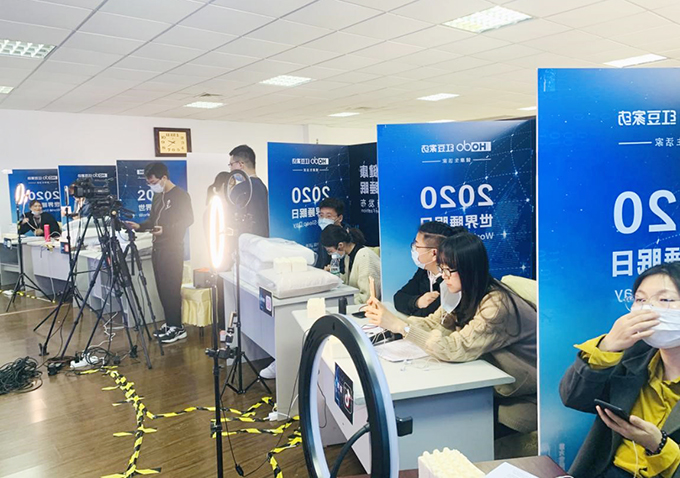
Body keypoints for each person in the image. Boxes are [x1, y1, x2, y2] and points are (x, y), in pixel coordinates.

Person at [365, 232, 537, 433]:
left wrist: (400, 327)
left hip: (521, 393)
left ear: (470, 269)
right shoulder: (459, 291)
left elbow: (455, 348)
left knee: (448, 418)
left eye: (449, 271)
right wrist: (389, 320)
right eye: (442, 269)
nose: (444, 276)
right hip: (489, 379)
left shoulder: (497, 304)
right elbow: (433, 323)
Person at [560, 262, 680, 478]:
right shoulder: (634, 354)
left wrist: (660, 446)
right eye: (640, 300)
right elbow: (573, 397)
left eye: (665, 300)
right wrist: (607, 347)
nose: (649, 309)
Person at [126, 162, 194, 344]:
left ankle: (178, 328)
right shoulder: (157, 196)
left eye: (154, 182)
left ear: (164, 177)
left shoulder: (180, 195)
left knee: (172, 288)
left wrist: (166, 230)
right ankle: (170, 323)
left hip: (173, 249)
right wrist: (139, 226)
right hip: (158, 248)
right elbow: (152, 220)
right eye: (149, 183)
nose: (152, 186)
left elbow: (188, 219)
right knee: (162, 289)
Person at [394, 222, 465, 317]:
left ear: (434, 253)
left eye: (417, 246)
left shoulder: (450, 280)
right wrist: (418, 302)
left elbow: (426, 316)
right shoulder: (424, 271)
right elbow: (399, 298)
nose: (414, 249)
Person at [321, 225, 381, 304]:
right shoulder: (348, 256)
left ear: (340, 245)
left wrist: (343, 302)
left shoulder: (365, 257)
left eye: (330, 251)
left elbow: (368, 297)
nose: (330, 255)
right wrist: (333, 275)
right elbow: (349, 283)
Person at [229, 144, 269, 238]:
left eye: (231, 164)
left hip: (246, 241)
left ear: (240, 164)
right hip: (263, 240)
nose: (230, 169)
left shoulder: (240, 189)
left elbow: (230, 217)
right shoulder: (262, 186)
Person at [315, 197, 347, 270]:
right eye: (321, 215)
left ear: (340, 218)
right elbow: (320, 263)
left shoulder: (348, 236)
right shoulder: (325, 234)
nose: (324, 219)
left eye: (328, 216)